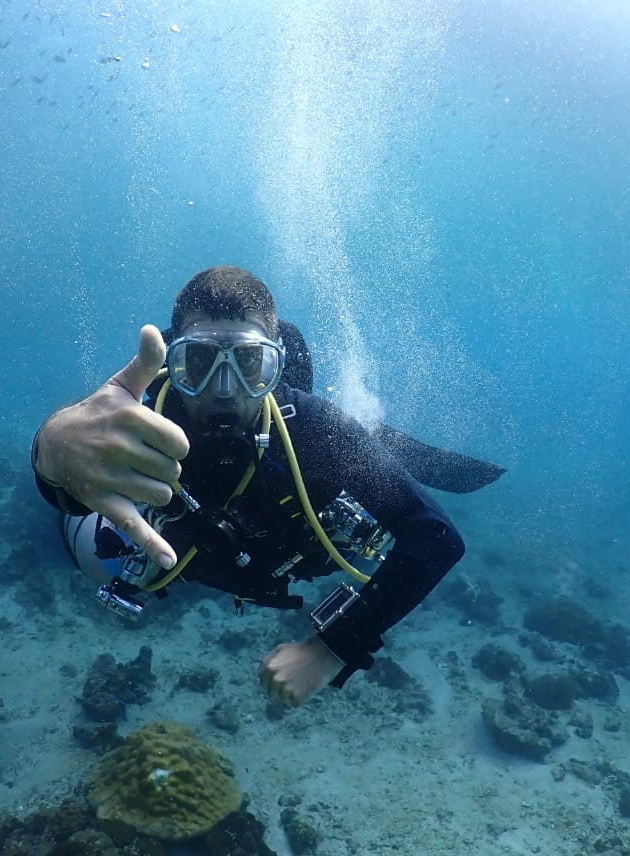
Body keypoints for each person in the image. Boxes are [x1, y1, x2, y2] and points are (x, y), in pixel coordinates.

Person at [32, 266, 494, 706]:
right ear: (174, 361)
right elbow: (70, 485)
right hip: (180, 556)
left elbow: (435, 538)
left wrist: (331, 647)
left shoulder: (315, 430)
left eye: (251, 363)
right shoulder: (144, 421)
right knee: (89, 550)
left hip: (296, 550)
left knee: (352, 451)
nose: (225, 387)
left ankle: (373, 438)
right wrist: (50, 451)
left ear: (277, 365)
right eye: (201, 361)